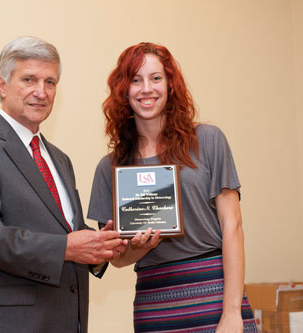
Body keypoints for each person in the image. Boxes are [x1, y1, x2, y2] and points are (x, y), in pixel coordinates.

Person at [0, 36, 125, 332]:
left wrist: (100, 245)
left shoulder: (60, 159)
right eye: (29, 79)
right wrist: (65, 248)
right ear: (2, 85)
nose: (41, 92)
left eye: (50, 82)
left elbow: (69, 232)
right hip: (9, 324)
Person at [88, 42, 258, 332]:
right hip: (155, 304)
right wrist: (140, 249)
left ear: (170, 85)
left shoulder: (208, 140)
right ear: (123, 91)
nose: (146, 89)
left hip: (215, 296)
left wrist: (231, 313)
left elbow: (233, 226)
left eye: (156, 78)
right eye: (135, 80)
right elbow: (118, 260)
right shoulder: (110, 167)